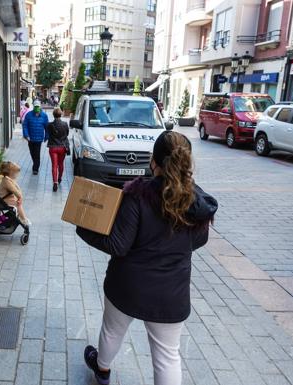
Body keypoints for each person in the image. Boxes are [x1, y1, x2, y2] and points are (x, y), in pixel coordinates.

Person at [76, 131, 218, 385]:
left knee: (112, 330)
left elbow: (118, 245)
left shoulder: (138, 194)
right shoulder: (197, 201)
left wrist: (83, 227)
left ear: (154, 161)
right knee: (167, 356)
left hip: (128, 286)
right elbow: (200, 240)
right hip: (171, 292)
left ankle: (103, 370)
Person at [0, 161, 31, 226]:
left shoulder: (8, 179)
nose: (17, 175)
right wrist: (20, 197)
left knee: (17, 203)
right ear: (10, 173)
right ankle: (23, 219)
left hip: (6, 198)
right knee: (18, 205)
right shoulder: (7, 181)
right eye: (16, 173)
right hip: (4, 200)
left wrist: (19, 197)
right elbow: (14, 190)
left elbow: (17, 190)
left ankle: (0, 219)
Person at [22, 100, 49, 175]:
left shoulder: (44, 115)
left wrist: (47, 136)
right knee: (32, 153)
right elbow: (25, 126)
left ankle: (35, 169)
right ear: (33, 107)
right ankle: (35, 164)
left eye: (38, 106)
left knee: (37, 154)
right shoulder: (28, 115)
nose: (37, 108)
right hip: (30, 138)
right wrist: (26, 135)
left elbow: (47, 127)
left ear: (40, 107)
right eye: (35, 106)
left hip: (39, 139)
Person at [46, 107, 69, 192]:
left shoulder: (49, 125)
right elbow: (67, 134)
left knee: (54, 165)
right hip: (62, 147)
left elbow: (48, 133)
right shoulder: (65, 124)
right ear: (61, 114)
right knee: (61, 164)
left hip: (53, 147)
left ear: (53, 115)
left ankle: (55, 182)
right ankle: (60, 178)